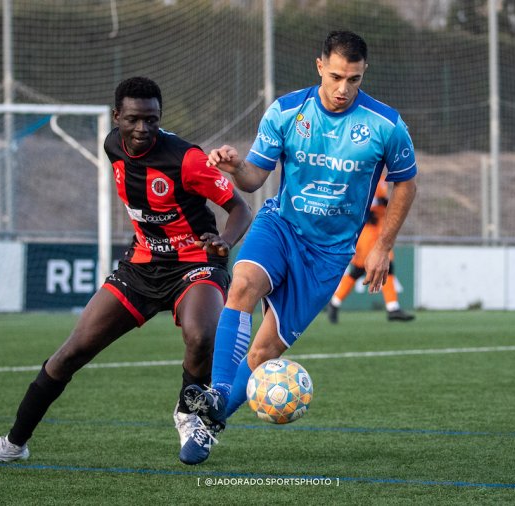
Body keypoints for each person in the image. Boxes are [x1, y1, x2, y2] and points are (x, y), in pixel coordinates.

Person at [0, 77, 252, 466]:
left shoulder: (187, 159)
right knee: (69, 354)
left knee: (201, 335)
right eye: (133, 119)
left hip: (196, 262)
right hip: (141, 267)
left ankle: (188, 413)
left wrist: (224, 240)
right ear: (117, 117)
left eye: (151, 120)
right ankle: (14, 443)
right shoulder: (111, 145)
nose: (142, 129)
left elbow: (240, 208)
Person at [179, 30, 418, 465]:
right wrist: (236, 167)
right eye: (337, 77)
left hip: (329, 254)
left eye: (355, 80)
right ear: (319, 66)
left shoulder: (386, 124)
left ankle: (211, 423)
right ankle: (216, 393)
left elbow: (407, 183)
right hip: (281, 225)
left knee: (264, 352)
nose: (344, 89)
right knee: (242, 287)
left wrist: (383, 245)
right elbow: (254, 178)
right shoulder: (288, 111)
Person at [327, 174, 415, 324]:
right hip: (366, 230)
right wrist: (368, 212)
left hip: (378, 228)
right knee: (364, 268)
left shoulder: (381, 176)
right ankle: (392, 307)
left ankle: (335, 303)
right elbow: (353, 198)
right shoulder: (365, 171)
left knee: (366, 269)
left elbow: (377, 199)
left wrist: (383, 204)